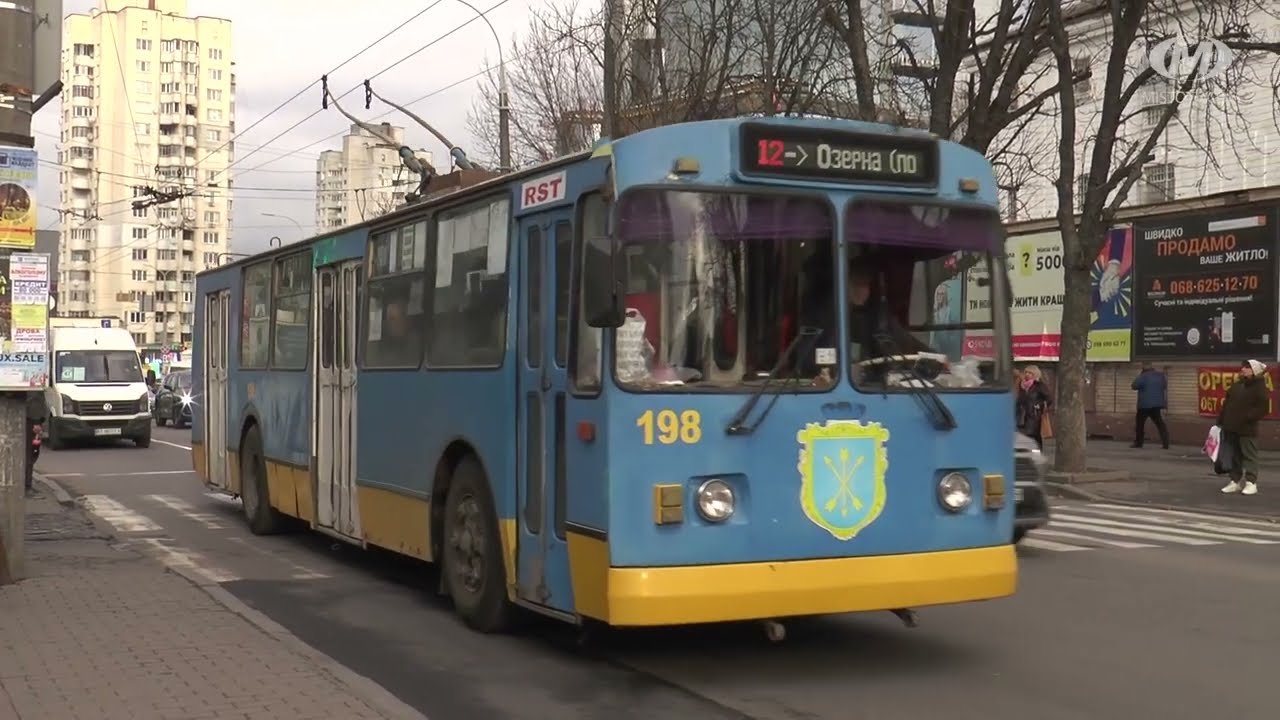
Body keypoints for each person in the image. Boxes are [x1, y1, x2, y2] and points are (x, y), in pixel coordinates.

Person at [1218, 359, 1269, 496]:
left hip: (1247, 428)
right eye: (1243, 367)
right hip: (1232, 427)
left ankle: (1251, 483)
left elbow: (1263, 408)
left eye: (1247, 367)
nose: (1243, 369)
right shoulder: (1237, 385)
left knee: (1249, 455)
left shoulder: (1259, 387)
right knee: (1235, 456)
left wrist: (1247, 418)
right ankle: (1235, 481)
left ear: (1254, 370)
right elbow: (1227, 404)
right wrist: (1221, 421)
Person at [1130, 362, 1170, 449]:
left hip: (1144, 405)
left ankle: (1138, 443)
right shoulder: (1160, 376)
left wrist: (1140, 375)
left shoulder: (1143, 376)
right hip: (1156, 404)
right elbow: (1164, 386)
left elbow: (1134, 386)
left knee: (1140, 424)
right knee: (1160, 423)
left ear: (1144, 368)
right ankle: (1166, 443)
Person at [1016, 365, 1053, 449]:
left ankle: (1037, 453)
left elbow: (1049, 398)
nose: (1027, 374)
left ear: (1035, 374)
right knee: (1029, 436)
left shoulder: (1039, 385)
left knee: (1034, 435)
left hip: (1035, 415)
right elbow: (1020, 399)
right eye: (1026, 372)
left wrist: (1040, 406)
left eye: (1030, 373)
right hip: (1025, 414)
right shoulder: (1023, 385)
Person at [25, 391, 47, 494]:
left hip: (31, 420)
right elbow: (34, 401)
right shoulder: (34, 385)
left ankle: (27, 485)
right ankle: (27, 486)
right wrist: (37, 423)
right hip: (32, 422)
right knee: (31, 454)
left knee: (30, 454)